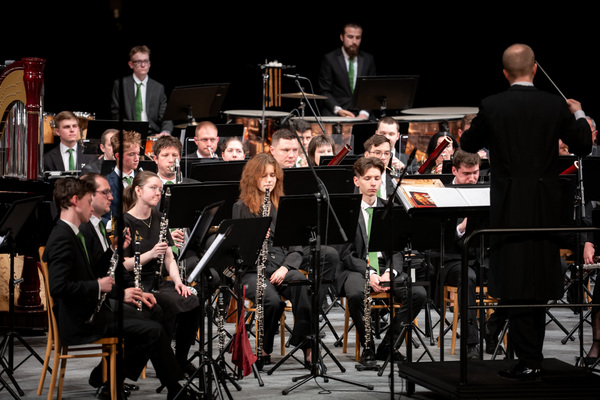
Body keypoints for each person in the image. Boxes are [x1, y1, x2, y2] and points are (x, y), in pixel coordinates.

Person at [460, 43, 592, 379]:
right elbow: (582, 145)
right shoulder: (554, 104)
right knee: (539, 277)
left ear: (505, 73)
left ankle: (528, 358)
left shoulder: (493, 105)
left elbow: (468, 144)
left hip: (509, 208)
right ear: (534, 69)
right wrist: (578, 113)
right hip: (546, 208)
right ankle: (532, 358)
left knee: (515, 279)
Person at [43, 177, 199, 400]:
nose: (93, 205)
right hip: (82, 318)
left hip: (92, 309)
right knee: (152, 328)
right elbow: (59, 287)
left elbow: (97, 269)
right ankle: (173, 390)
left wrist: (115, 258)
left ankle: (112, 382)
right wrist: (99, 286)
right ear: (76, 201)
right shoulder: (63, 237)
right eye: (89, 200)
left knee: (152, 315)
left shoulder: (72, 233)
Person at [336, 156, 427, 366]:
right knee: (357, 293)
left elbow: (398, 248)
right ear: (357, 180)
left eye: (377, 178)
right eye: (367, 178)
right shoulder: (348, 210)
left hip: (386, 268)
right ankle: (368, 347)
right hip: (357, 269)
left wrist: (390, 272)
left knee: (418, 293)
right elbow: (346, 254)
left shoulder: (390, 208)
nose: (373, 183)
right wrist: (369, 272)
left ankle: (389, 345)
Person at [232, 153, 314, 368]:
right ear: (252, 178)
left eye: (273, 176)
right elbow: (238, 251)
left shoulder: (284, 206)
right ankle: (264, 348)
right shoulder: (241, 207)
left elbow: (297, 249)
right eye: (264, 176)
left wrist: (286, 268)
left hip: (280, 267)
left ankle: (307, 345)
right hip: (252, 270)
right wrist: (255, 237)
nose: (269, 180)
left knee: (302, 285)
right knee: (272, 301)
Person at [121, 171, 200, 375]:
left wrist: (178, 282)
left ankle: (180, 360)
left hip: (158, 282)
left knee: (192, 302)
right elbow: (123, 265)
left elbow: (169, 258)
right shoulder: (125, 221)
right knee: (170, 305)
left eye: (160, 189)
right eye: (153, 188)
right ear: (138, 191)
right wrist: (150, 254)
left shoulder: (159, 218)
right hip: (136, 284)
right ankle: (165, 365)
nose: (158, 193)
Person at [441, 149, 486, 359]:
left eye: (475, 173)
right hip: (453, 260)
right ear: (454, 171)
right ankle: (471, 344)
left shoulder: (485, 191)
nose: (472, 178)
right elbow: (439, 237)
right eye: (466, 174)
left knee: (512, 270)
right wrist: (462, 227)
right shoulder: (443, 194)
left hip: (480, 257)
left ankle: (493, 329)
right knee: (467, 278)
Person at [111, 45, 173, 136]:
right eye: (139, 62)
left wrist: (165, 131)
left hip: (152, 133)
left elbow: (166, 116)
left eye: (146, 61)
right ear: (131, 64)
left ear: (149, 64)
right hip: (128, 134)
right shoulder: (120, 85)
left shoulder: (158, 87)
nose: (143, 65)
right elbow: (116, 115)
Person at [319, 22, 376, 119]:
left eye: (358, 38)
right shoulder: (330, 59)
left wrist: (364, 113)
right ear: (342, 37)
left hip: (362, 111)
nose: (354, 41)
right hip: (338, 111)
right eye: (350, 37)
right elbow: (325, 91)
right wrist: (338, 110)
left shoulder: (368, 59)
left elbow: (372, 89)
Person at [105, 130, 142, 219]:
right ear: (118, 156)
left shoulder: (143, 180)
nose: (137, 159)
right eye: (131, 154)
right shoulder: (106, 183)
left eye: (138, 154)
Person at [363, 134, 399, 202]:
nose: (383, 157)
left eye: (386, 153)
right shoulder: (357, 180)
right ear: (367, 155)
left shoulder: (396, 183)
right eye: (378, 153)